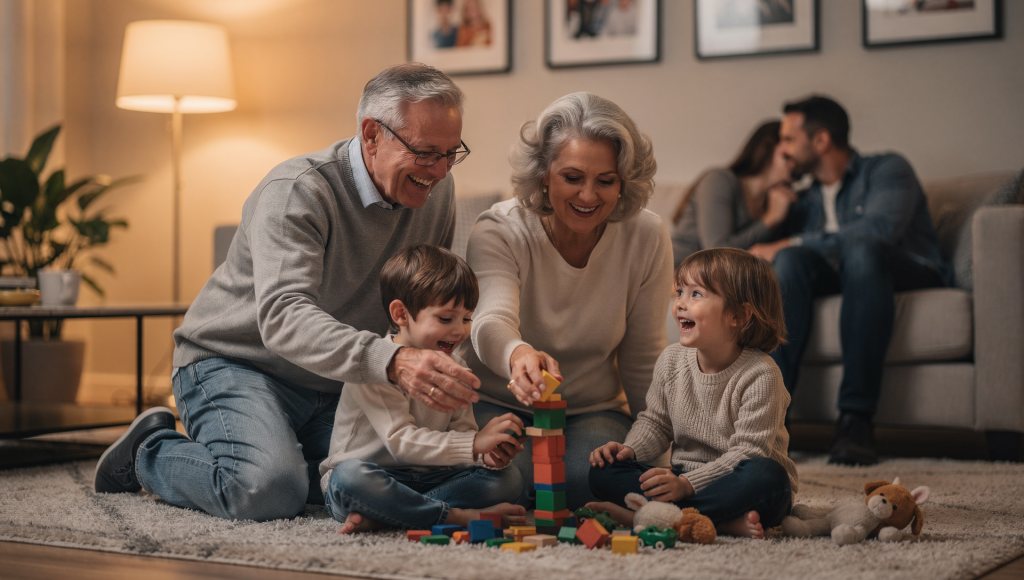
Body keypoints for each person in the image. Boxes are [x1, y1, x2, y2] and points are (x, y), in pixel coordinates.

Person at [94, 63, 481, 522]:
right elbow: (283, 315)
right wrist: (392, 362)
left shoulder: (437, 191)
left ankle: (275, 447)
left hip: (335, 379)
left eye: (450, 153)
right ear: (372, 134)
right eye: (425, 153)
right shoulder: (299, 191)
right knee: (269, 491)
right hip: (236, 362)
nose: (438, 171)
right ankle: (148, 450)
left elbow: (423, 305)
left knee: (395, 474)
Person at [464, 92, 674, 510]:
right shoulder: (499, 230)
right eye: (573, 177)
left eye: (606, 180)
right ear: (544, 175)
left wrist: (662, 459)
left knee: (594, 478)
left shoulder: (646, 236)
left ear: (624, 181)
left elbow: (643, 358)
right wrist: (517, 353)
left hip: (590, 411)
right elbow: (490, 322)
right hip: (496, 404)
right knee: (502, 479)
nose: (589, 196)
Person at [749, 95, 951, 466]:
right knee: (790, 260)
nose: (782, 149)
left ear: (821, 141)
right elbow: (750, 253)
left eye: (789, 140)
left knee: (859, 248)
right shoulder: (804, 199)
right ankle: (771, 420)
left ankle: (855, 419)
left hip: (906, 269)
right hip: (845, 275)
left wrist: (792, 240)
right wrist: (777, 202)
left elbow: (879, 230)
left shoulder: (888, 169)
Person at [587, 248, 798, 540]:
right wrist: (629, 450)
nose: (680, 304)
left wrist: (687, 484)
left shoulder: (761, 374)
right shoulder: (671, 361)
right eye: (680, 291)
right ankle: (714, 522)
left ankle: (658, 516)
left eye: (696, 294)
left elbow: (748, 453)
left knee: (768, 476)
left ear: (738, 314)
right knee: (603, 470)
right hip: (685, 480)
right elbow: (656, 423)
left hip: (738, 484)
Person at [320, 244, 527, 533]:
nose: (459, 330)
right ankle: (456, 518)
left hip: (431, 478)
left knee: (509, 479)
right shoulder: (373, 365)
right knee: (348, 477)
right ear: (401, 314)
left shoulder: (457, 366)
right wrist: (473, 443)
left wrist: (484, 454)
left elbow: (462, 436)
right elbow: (401, 442)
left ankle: (389, 515)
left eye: (467, 318)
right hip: (373, 475)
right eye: (446, 318)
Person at [670, 120, 796, 270]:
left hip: (717, 282)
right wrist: (769, 220)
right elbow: (717, 253)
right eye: (789, 141)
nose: (795, 150)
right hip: (675, 274)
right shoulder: (720, 180)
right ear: (768, 145)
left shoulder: (781, 200)